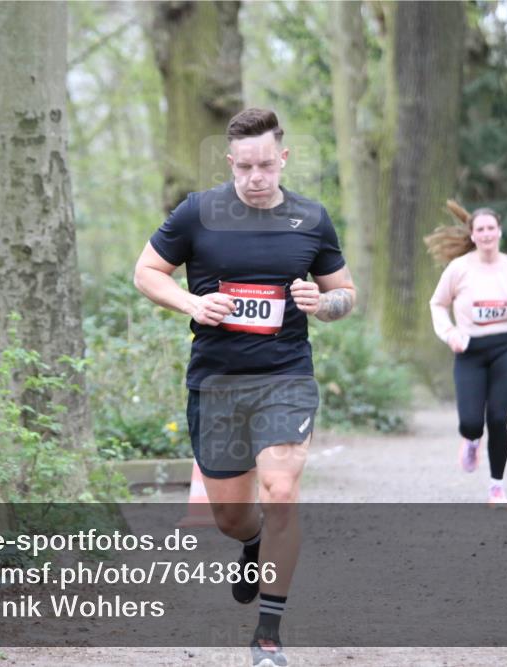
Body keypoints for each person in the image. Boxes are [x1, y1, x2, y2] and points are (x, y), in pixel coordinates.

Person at [134, 108, 355, 666]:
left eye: (265, 165)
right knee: (232, 517)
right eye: (244, 167)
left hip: (286, 377)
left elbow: (345, 292)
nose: (255, 177)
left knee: (281, 490)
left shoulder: (311, 218)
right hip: (216, 383)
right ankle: (251, 544)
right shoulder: (197, 213)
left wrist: (323, 304)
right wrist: (192, 302)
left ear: (283, 158)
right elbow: (145, 272)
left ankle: (268, 636)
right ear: (230, 161)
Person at [425, 201, 507, 507]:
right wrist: (450, 334)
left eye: (491, 228)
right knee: (472, 422)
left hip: (506, 347)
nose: (487, 234)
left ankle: (496, 488)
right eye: (481, 229)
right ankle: (472, 440)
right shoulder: (459, 269)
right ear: (473, 235)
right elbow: (437, 303)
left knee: (499, 418)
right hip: (470, 351)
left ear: (499, 232)